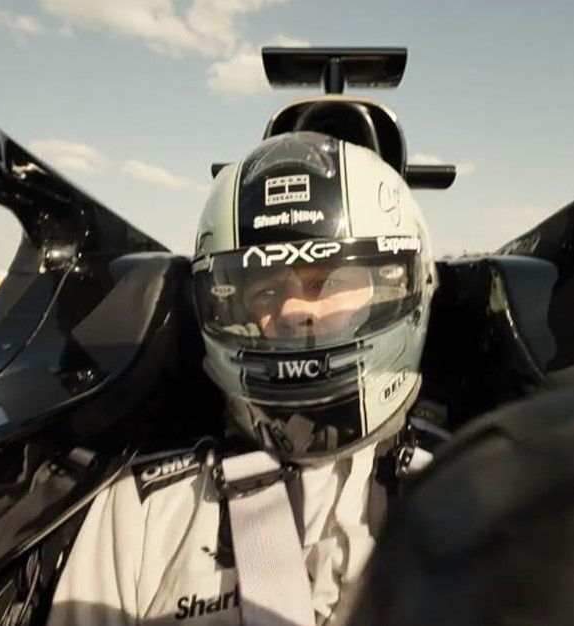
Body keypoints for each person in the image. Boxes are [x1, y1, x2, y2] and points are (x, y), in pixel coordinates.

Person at [45, 131, 440, 626]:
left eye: (329, 279)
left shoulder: (478, 495)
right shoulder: (139, 513)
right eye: (266, 289)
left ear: (398, 287)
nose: (293, 310)